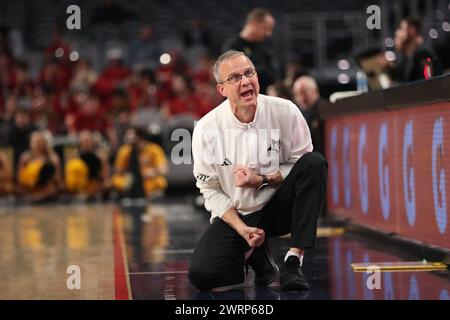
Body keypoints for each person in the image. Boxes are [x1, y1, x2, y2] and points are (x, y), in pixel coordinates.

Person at [188, 51, 327, 292]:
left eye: (249, 73)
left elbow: (301, 162)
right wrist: (242, 230)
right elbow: (209, 189)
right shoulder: (206, 128)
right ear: (221, 90)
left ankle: (293, 261)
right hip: (240, 213)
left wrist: (262, 180)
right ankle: (256, 257)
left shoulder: (286, 111)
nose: (245, 81)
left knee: (315, 163)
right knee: (203, 275)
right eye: (234, 77)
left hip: (280, 205)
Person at [222, 8, 278, 93]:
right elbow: (236, 75)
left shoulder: (264, 47)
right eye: (266, 28)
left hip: (263, 98)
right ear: (253, 23)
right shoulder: (232, 47)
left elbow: (274, 74)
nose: (268, 34)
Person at [112, 127, 168, 199]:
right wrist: (131, 175)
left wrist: (149, 172)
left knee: (160, 182)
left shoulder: (154, 149)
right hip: (131, 189)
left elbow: (164, 170)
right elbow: (118, 171)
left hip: (151, 189)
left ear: (139, 136)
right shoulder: (124, 151)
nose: (127, 136)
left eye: (130, 134)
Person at [394, 16, 442, 83]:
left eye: (401, 29)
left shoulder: (423, 53)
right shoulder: (406, 59)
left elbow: (431, 84)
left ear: (412, 30)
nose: (397, 33)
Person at [292, 76, 324, 155]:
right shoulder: (297, 111)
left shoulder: (326, 110)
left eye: (304, 93)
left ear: (315, 91)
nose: (301, 98)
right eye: (297, 94)